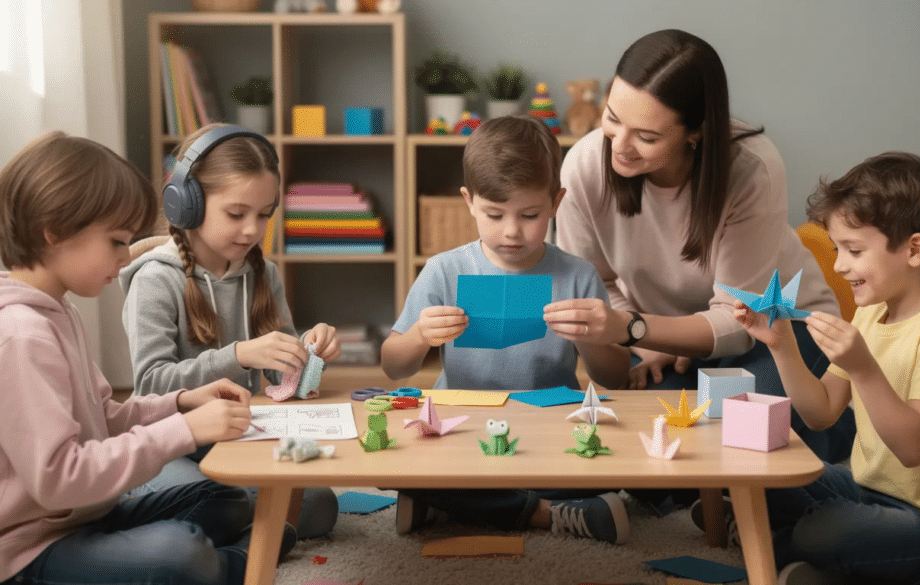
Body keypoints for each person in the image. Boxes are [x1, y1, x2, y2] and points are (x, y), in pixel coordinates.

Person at [545, 29, 855, 467]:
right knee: (655, 445)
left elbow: (737, 317)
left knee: (745, 430)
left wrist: (635, 328)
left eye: (647, 137)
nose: (620, 145)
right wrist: (644, 336)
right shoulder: (583, 167)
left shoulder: (752, 170)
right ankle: (815, 431)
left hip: (777, 328)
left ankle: (832, 429)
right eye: (612, 117)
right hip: (660, 336)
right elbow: (601, 284)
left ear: (696, 132)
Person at [0, 131, 295, 585]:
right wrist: (183, 432)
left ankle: (220, 559)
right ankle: (237, 565)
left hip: (89, 515)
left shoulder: (60, 312)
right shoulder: (21, 335)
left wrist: (180, 404)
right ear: (54, 232)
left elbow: (106, 416)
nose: (126, 256)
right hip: (32, 547)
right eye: (117, 241)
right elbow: (59, 478)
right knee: (178, 554)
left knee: (228, 500)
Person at [732, 152, 920, 584]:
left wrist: (864, 369)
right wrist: (781, 346)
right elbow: (820, 413)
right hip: (869, 490)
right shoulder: (872, 314)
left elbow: (914, 450)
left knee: (824, 532)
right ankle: (789, 546)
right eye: (838, 249)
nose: (838, 265)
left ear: (915, 249)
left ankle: (773, 544)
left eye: (854, 250)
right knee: (770, 472)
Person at [381, 115, 632, 544]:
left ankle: (450, 502)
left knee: (609, 468)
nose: (512, 231)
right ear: (469, 201)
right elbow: (391, 367)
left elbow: (615, 378)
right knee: (401, 465)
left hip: (549, 429)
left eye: (530, 215)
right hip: (463, 428)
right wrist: (420, 336)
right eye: (494, 214)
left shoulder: (577, 275)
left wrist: (593, 337)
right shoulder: (445, 271)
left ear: (556, 203)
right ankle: (543, 513)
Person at [120, 124, 339, 539]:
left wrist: (308, 354)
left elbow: (281, 383)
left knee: (319, 505)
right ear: (187, 204)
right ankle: (240, 524)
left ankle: (238, 519)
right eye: (236, 214)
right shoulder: (155, 280)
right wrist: (238, 355)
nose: (253, 231)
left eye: (264, 215)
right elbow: (149, 386)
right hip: (171, 441)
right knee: (225, 505)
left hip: (237, 433)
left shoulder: (263, 274)